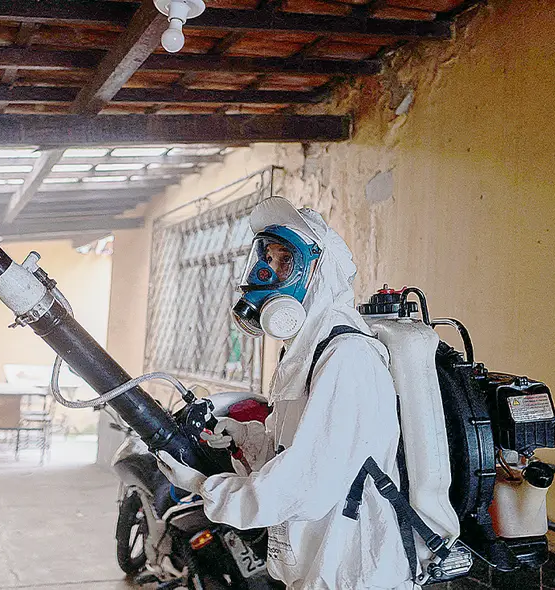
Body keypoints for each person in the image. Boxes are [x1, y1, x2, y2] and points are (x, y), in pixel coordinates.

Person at [157, 197, 413, 590]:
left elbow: (304, 483)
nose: (267, 274)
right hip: (317, 565)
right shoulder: (309, 350)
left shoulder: (347, 357)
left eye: (284, 262)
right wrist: (245, 438)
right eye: (267, 259)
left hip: (352, 572)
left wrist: (201, 486)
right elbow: (296, 449)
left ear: (317, 273)